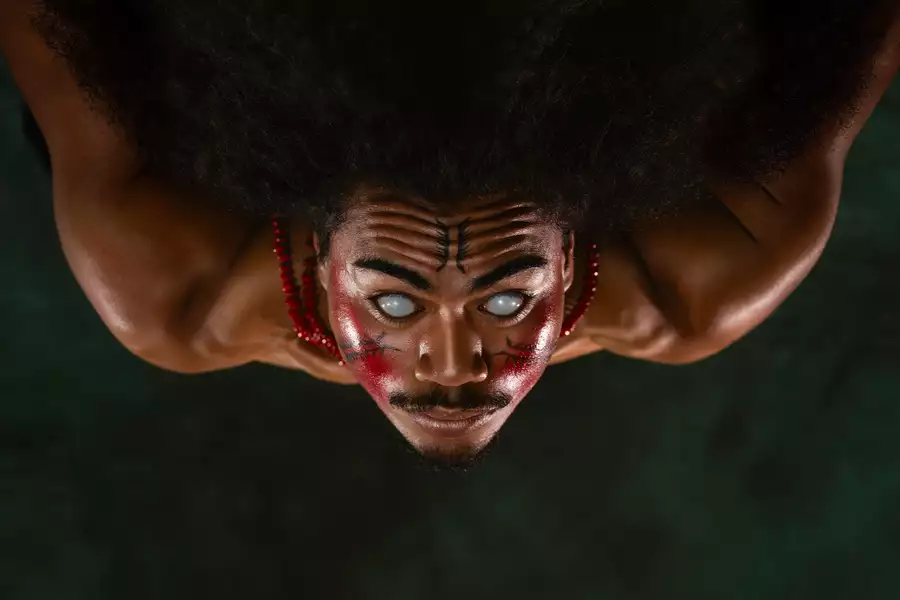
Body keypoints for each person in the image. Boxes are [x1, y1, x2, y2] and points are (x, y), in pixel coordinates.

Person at [1, 0, 898, 469]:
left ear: (576, 241)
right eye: (390, 295)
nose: (452, 364)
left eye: (510, 294)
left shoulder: (175, 296)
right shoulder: (708, 275)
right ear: (318, 254)